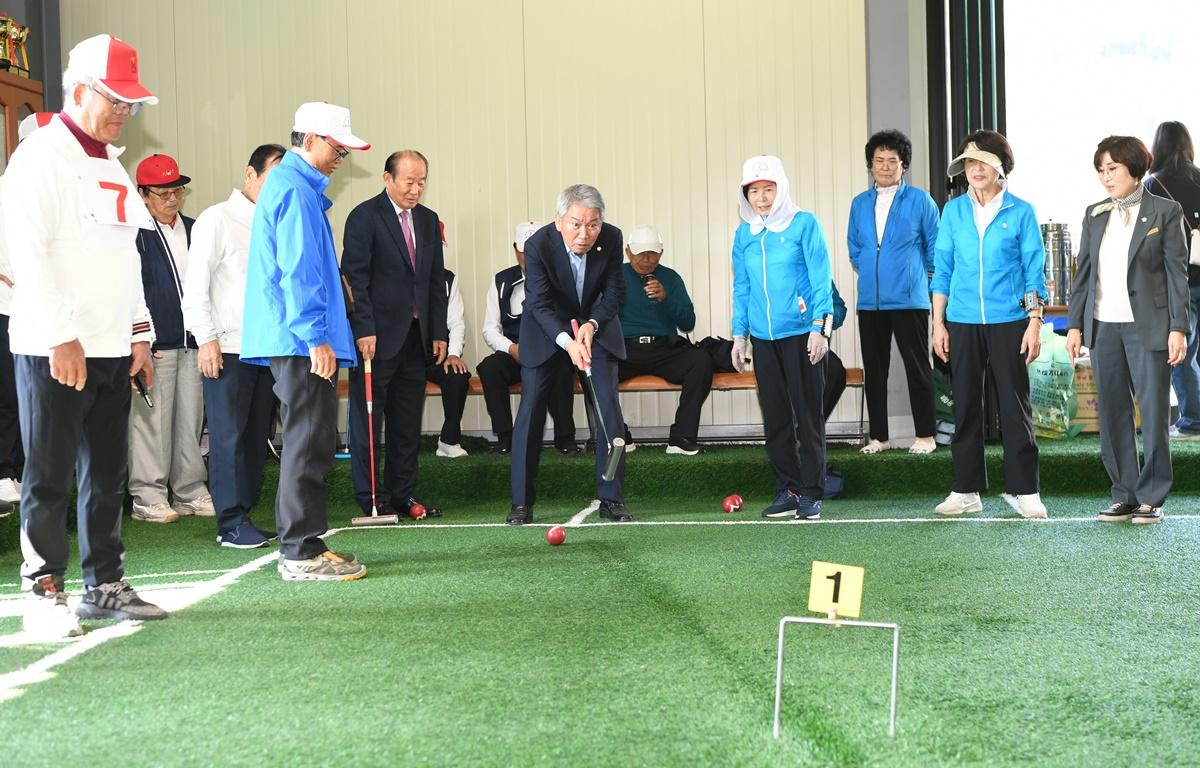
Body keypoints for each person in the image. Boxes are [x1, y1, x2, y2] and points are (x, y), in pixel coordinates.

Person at [3, 34, 167, 636]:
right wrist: (60, 335)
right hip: (56, 348)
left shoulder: (114, 166)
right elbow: (29, 253)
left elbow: (128, 262)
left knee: (106, 474)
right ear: (79, 91)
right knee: (47, 473)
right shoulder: (40, 156)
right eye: (115, 99)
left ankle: (104, 585)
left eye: (132, 102)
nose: (125, 110)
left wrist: (139, 335)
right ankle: (42, 591)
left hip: (110, 347)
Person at [241, 101, 369, 581]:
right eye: (337, 147)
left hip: (296, 336)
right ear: (310, 139)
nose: (341, 157)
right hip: (300, 339)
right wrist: (316, 336)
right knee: (307, 440)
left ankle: (307, 543)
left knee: (311, 440)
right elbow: (299, 271)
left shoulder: (297, 187)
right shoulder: (294, 189)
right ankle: (298, 551)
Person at [1067, 136, 1189, 525]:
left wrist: (1179, 327)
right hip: (1103, 326)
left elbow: (1177, 275)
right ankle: (1124, 494)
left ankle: (1152, 496)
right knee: (1114, 414)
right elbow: (1083, 274)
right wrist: (1074, 325)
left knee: (1153, 414)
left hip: (1149, 326)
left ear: (1134, 168)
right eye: (1101, 170)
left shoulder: (1166, 212)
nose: (1106, 177)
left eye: (1113, 169)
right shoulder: (1094, 213)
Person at [930, 130, 1048, 519]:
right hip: (961, 321)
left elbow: (1034, 272)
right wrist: (938, 323)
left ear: (1000, 167)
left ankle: (1024, 490)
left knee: (1014, 405)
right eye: (968, 162)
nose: (974, 170)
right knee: (965, 405)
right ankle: (965, 490)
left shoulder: (1021, 211)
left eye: (983, 162)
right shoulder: (953, 212)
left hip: (1009, 320)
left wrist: (1034, 322)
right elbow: (942, 270)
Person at [182, 143, 285, 548]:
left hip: (266, 347)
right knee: (227, 437)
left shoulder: (276, 220)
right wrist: (205, 339)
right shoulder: (216, 219)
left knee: (257, 435)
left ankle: (243, 514)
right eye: (273, 176)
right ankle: (229, 523)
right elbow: (196, 287)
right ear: (250, 174)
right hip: (225, 348)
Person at [509, 185, 630, 525]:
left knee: (608, 411)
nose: (585, 233)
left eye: (593, 225)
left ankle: (612, 499)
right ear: (559, 220)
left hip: (596, 328)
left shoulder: (612, 238)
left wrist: (591, 325)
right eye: (576, 224)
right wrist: (567, 341)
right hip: (548, 331)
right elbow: (539, 302)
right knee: (530, 413)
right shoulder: (538, 245)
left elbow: (615, 292)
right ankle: (521, 503)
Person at [341, 150, 447, 519]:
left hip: (416, 339)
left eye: (421, 182)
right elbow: (354, 279)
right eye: (409, 181)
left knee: (406, 422)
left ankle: (403, 494)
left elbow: (435, 281)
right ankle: (372, 497)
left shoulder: (429, 220)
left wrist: (439, 331)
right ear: (387, 179)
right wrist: (363, 327)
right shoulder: (364, 217)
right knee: (369, 420)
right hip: (376, 339)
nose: (416, 189)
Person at [731, 155, 833, 520]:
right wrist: (739, 335)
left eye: (768, 189)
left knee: (807, 416)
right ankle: (788, 489)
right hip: (763, 339)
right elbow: (742, 287)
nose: (761, 197)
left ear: (781, 188)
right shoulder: (745, 234)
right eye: (754, 191)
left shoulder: (804, 224)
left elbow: (822, 278)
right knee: (775, 417)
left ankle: (811, 492)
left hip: (803, 334)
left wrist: (821, 327)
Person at [128, 153, 213, 524]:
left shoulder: (195, 229)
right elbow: (130, 290)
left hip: (193, 340)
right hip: (154, 343)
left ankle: (190, 491)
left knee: (190, 419)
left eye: (177, 191)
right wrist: (140, 339)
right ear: (143, 194)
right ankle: (148, 496)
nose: (172, 200)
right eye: (163, 194)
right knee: (151, 422)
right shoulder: (133, 232)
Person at [847, 129, 940, 455]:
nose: (885, 167)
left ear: (904, 165)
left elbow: (934, 249)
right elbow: (855, 248)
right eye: (879, 161)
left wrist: (917, 279)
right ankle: (879, 437)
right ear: (870, 164)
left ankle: (926, 436)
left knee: (918, 367)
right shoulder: (859, 204)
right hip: (869, 303)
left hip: (909, 300)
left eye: (893, 161)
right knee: (875, 371)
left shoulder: (920, 200)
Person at [478, 221, 580, 456]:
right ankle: (506, 438)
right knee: (490, 368)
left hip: (551, 349)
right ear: (516, 249)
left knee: (561, 368)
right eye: (526, 250)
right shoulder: (501, 281)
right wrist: (511, 348)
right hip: (517, 350)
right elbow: (490, 329)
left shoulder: (563, 278)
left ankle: (566, 438)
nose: (531, 255)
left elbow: (571, 320)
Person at [617, 225, 712, 455]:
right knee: (592, 365)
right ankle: (618, 435)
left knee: (701, 361)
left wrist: (666, 298)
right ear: (628, 252)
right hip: (625, 348)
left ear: (660, 253)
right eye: (640, 253)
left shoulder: (670, 278)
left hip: (663, 348)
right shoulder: (615, 277)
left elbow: (688, 322)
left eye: (652, 253)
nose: (647, 259)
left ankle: (681, 437)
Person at [0, 112, 52, 514]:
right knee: (7, 395)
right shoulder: (7, 190)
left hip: (45, 314)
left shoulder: (51, 193)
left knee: (33, 401)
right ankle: (5, 471)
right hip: (7, 309)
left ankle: (22, 470)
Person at [1143, 121, 1200, 440]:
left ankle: (1192, 421)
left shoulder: (1154, 185)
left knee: (1180, 352)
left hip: (1179, 281)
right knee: (1195, 353)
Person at [428, 262, 472, 457]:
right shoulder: (398, 271)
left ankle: (449, 440)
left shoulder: (447, 278)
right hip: (405, 353)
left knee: (458, 375)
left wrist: (453, 353)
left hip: (438, 354)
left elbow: (456, 322)